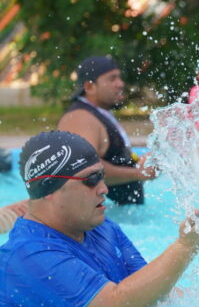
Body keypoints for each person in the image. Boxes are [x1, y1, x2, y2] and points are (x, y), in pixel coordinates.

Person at [0, 131, 199, 307]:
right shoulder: (28, 256)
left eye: (102, 175)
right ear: (50, 189)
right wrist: (186, 247)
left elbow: (153, 294)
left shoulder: (101, 227)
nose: (104, 189)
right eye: (91, 180)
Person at [58, 56, 156, 205]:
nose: (120, 84)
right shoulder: (80, 118)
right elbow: (85, 168)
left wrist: (141, 162)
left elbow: (114, 158)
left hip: (115, 213)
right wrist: (139, 173)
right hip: (105, 214)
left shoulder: (98, 113)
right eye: (112, 79)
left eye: (119, 78)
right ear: (89, 87)